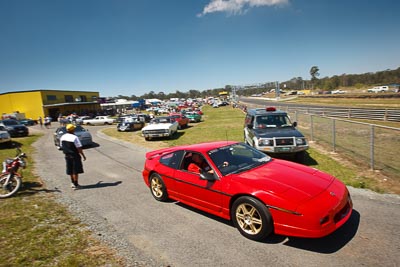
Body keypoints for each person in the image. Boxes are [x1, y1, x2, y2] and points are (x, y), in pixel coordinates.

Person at [60, 124, 86, 189]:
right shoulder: (74, 137)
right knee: (75, 170)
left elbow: (61, 146)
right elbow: (79, 148)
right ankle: (76, 184)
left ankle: (72, 183)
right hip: (74, 155)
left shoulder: (63, 137)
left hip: (67, 155)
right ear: (72, 130)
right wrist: (83, 155)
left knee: (70, 170)